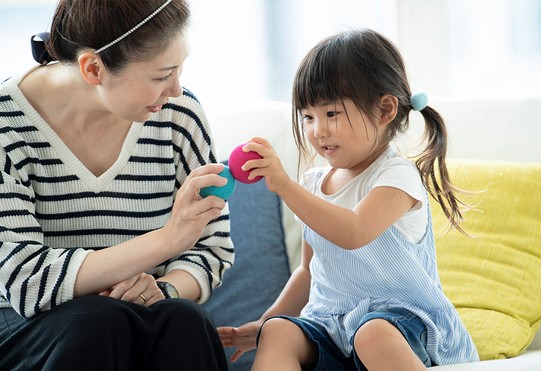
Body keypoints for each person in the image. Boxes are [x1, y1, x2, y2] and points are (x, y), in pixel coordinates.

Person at [218, 29, 479, 370]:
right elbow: (308, 271)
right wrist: (265, 322)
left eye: (331, 114)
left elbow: (354, 231)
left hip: (404, 324)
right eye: (308, 117)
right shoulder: (312, 185)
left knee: (373, 335)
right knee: (278, 332)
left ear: (385, 110)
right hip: (332, 325)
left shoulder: (396, 176)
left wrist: (282, 184)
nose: (317, 131)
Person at [0, 0, 233, 369]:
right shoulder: (6, 125)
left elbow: (212, 250)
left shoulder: (179, 115)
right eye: (161, 76)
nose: (175, 89)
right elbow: (25, 281)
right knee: (98, 321)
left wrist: (164, 288)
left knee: (184, 320)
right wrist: (168, 240)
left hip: (140, 318)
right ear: (94, 68)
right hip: (26, 327)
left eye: (179, 70)